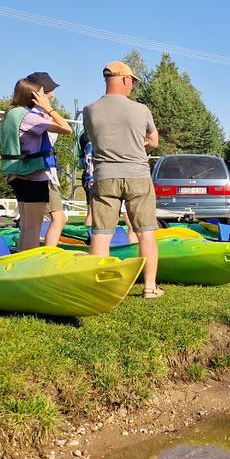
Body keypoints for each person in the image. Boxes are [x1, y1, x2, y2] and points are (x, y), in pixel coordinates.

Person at [83, 61, 162, 298]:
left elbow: (92, 138)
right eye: (133, 82)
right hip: (137, 176)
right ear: (126, 80)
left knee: (101, 233)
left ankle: (98, 288)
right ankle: (149, 288)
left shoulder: (89, 110)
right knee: (145, 233)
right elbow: (154, 141)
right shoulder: (141, 109)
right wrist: (138, 144)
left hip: (105, 176)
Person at [0, 77, 73, 250]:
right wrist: (49, 108)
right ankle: (28, 270)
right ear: (33, 96)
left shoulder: (11, 113)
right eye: (41, 93)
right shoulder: (29, 117)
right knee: (33, 229)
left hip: (17, 174)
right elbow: (67, 128)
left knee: (25, 227)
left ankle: (18, 266)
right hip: (34, 176)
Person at [25, 72, 69, 247]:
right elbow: (66, 128)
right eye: (49, 90)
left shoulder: (30, 114)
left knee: (32, 223)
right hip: (42, 173)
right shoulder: (36, 116)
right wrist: (49, 110)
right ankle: (46, 256)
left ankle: (33, 256)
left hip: (41, 172)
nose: (53, 94)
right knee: (59, 218)